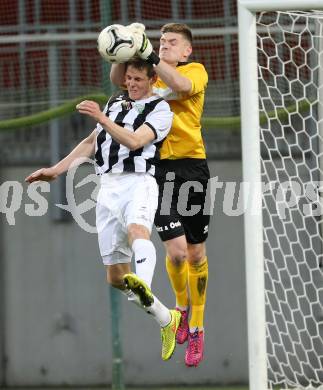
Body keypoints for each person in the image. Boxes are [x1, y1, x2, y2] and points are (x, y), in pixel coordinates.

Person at [25, 57, 181, 362]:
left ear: (152, 81)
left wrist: (102, 117)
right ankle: (166, 318)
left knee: (139, 232)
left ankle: (144, 284)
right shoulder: (115, 102)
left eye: (139, 79)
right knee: (114, 277)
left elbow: (136, 141)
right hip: (107, 188)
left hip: (139, 183)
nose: (133, 84)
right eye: (129, 79)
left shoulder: (161, 110)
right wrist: (56, 170)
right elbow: (91, 141)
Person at [110, 23, 210, 367]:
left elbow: (181, 86)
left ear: (186, 51)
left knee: (196, 254)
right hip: (158, 171)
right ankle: (180, 311)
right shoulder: (151, 73)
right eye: (162, 40)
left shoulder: (193, 71)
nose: (165, 45)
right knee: (177, 251)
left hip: (193, 168)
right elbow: (118, 80)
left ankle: (196, 327)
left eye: (172, 42)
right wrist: (122, 47)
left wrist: (150, 53)